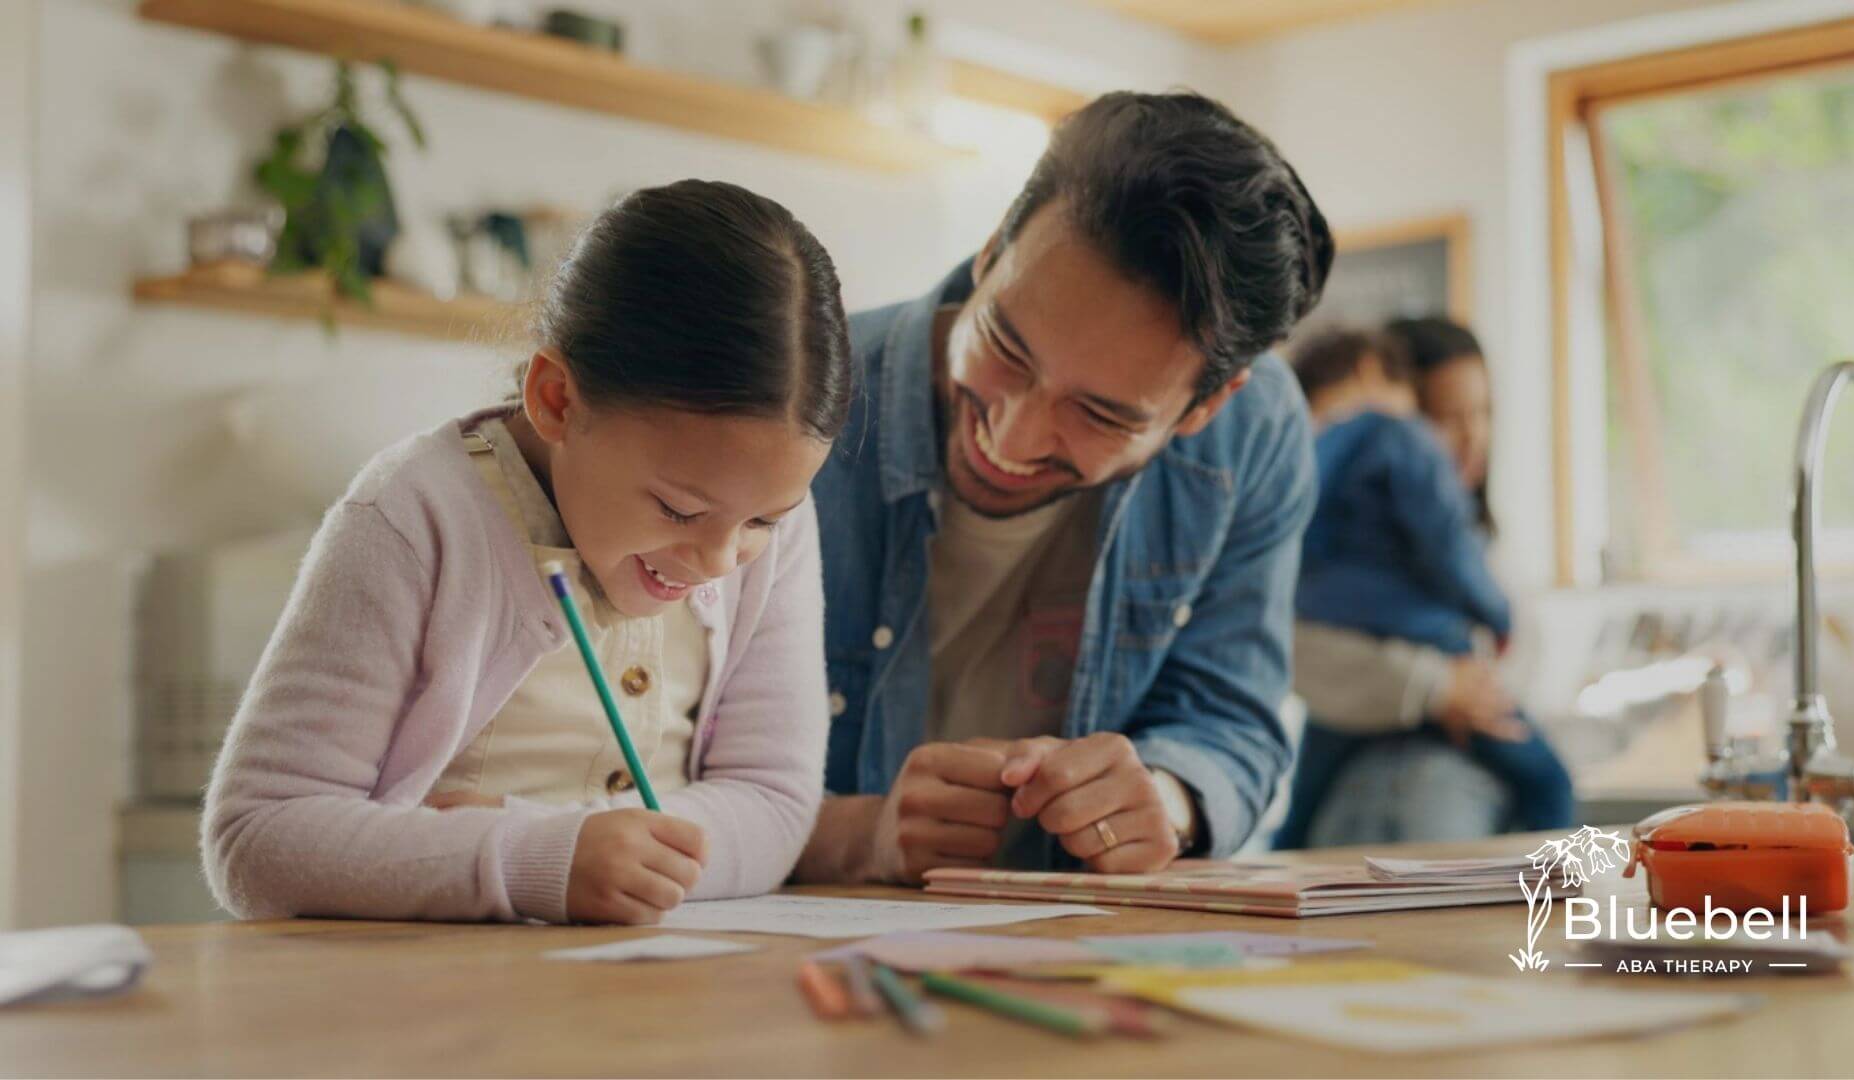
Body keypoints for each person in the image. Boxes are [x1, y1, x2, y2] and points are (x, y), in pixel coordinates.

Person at [203, 180, 852, 925]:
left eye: (764, 520)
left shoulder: (765, 530)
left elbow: (774, 802)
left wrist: (568, 843)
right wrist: (531, 858)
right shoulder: (412, 518)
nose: (718, 561)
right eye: (679, 509)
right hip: (422, 1013)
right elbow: (256, 836)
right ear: (556, 400)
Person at [793, 91, 1334, 885]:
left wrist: (1166, 798)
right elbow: (639, 772)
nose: (1011, 438)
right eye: (1006, 346)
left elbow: (1228, 717)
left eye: (1101, 414)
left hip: (1087, 950)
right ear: (989, 254)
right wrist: (857, 836)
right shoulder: (799, 401)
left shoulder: (1253, 435)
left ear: (1206, 405)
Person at [1275, 324, 1573, 848]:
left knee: (1294, 826)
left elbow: (1524, 653)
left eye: (1481, 413)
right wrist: (1438, 688)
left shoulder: (1481, 537)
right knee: (1550, 783)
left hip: (1429, 750)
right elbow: (1301, 651)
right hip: (1395, 771)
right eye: (1447, 418)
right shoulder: (1397, 466)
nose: (1470, 435)